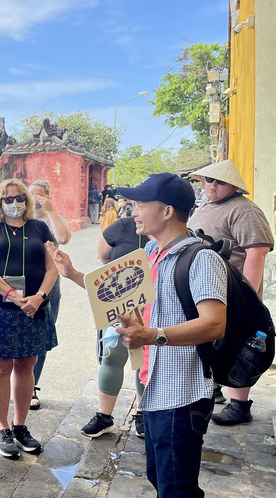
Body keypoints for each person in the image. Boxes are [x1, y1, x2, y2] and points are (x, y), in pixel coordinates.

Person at [112, 173, 227, 497]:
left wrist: (152, 335)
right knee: (158, 475)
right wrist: (72, 274)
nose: (133, 211)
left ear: (166, 211)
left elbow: (215, 323)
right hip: (154, 385)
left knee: (176, 488)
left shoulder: (201, 259)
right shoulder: (151, 251)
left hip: (183, 393)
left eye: (141, 204)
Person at [188, 160, 274, 426]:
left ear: (233, 186)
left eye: (219, 181)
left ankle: (240, 405)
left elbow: (255, 253)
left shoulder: (245, 210)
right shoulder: (207, 205)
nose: (211, 185)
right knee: (211, 344)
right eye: (208, 180)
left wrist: (246, 296)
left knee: (239, 346)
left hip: (233, 290)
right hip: (207, 287)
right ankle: (215, 390)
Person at [0, 179, 57, 458]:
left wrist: (40, 297)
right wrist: (11, 294)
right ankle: (2, 429)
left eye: (18, 197)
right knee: (0, 367)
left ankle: (20, 426)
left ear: (27, 199)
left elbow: (53, 266)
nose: (14, 202)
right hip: (0, 306)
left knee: (26, 365)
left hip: (33, 306)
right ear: (0, 201)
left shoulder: (40, 227)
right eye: (7, 198)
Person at [82, 215, 151, 438]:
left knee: (145, 358)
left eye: (143, 205)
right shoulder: (123, 226)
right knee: (112, 356)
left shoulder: (168, 233)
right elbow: (103, 256)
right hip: (120, 302)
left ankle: (143, 412)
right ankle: (104, 416)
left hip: (153, 306)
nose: (137, 210)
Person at [27, 180, 70, 410]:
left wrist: (51, 209)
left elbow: (63, 239)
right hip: (22, 286)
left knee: (40, 339)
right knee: (10, 333)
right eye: (30, 193)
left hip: (49, 286)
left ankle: (32, 386)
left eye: (39, 195)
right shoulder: (19, 218)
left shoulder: (50, 220)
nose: (34, 198)